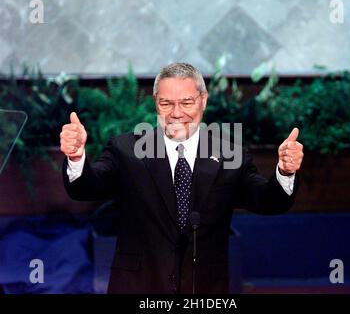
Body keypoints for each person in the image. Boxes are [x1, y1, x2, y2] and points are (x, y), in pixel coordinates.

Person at [60, 62, 304, 294]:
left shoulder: (231, 155)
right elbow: (86, 188)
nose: (177, 113)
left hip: (205, 289)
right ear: (156, 103)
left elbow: (268, 201)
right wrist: (76, 157)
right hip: (138, 285)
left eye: (187, 102)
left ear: (203, 101)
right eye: (167, 103)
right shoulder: (126, 149)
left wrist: (285, 171)